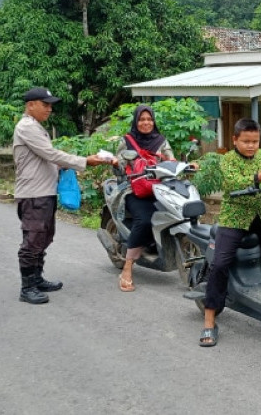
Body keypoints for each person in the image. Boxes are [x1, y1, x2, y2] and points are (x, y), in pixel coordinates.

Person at [14, 87, 115, 305]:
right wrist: (85, 161)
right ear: (31, 104)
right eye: (45, 104)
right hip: (33, 194)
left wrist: (62, 168)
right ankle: (27, 287)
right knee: (32, 240)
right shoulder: (27, 127)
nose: (49, 109)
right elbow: (50, 154)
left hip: (44, 192)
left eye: (50, 105)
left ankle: (37, 278)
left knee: (44, 237)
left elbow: (45, 159)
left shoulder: (36, 127)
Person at [199, 118, 261, 347]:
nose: (251, 146)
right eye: (246, 141)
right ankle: (209, 320)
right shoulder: (228, 160)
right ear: (235, 140)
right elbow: (234, 183)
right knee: (220, 264)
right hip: (234, 218)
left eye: (255, 141)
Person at [115, 104, 175, 292]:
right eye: (142, 119)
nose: (146, 123)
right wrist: (118, 163)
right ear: (136, 121)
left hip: (159, 188)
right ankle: (127, 266)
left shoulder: (161, 141)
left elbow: (171, 161)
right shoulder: (127, 141)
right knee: (145, 219)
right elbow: (118, 167)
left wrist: (178, 164)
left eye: (149, 119)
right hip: (134, 190)